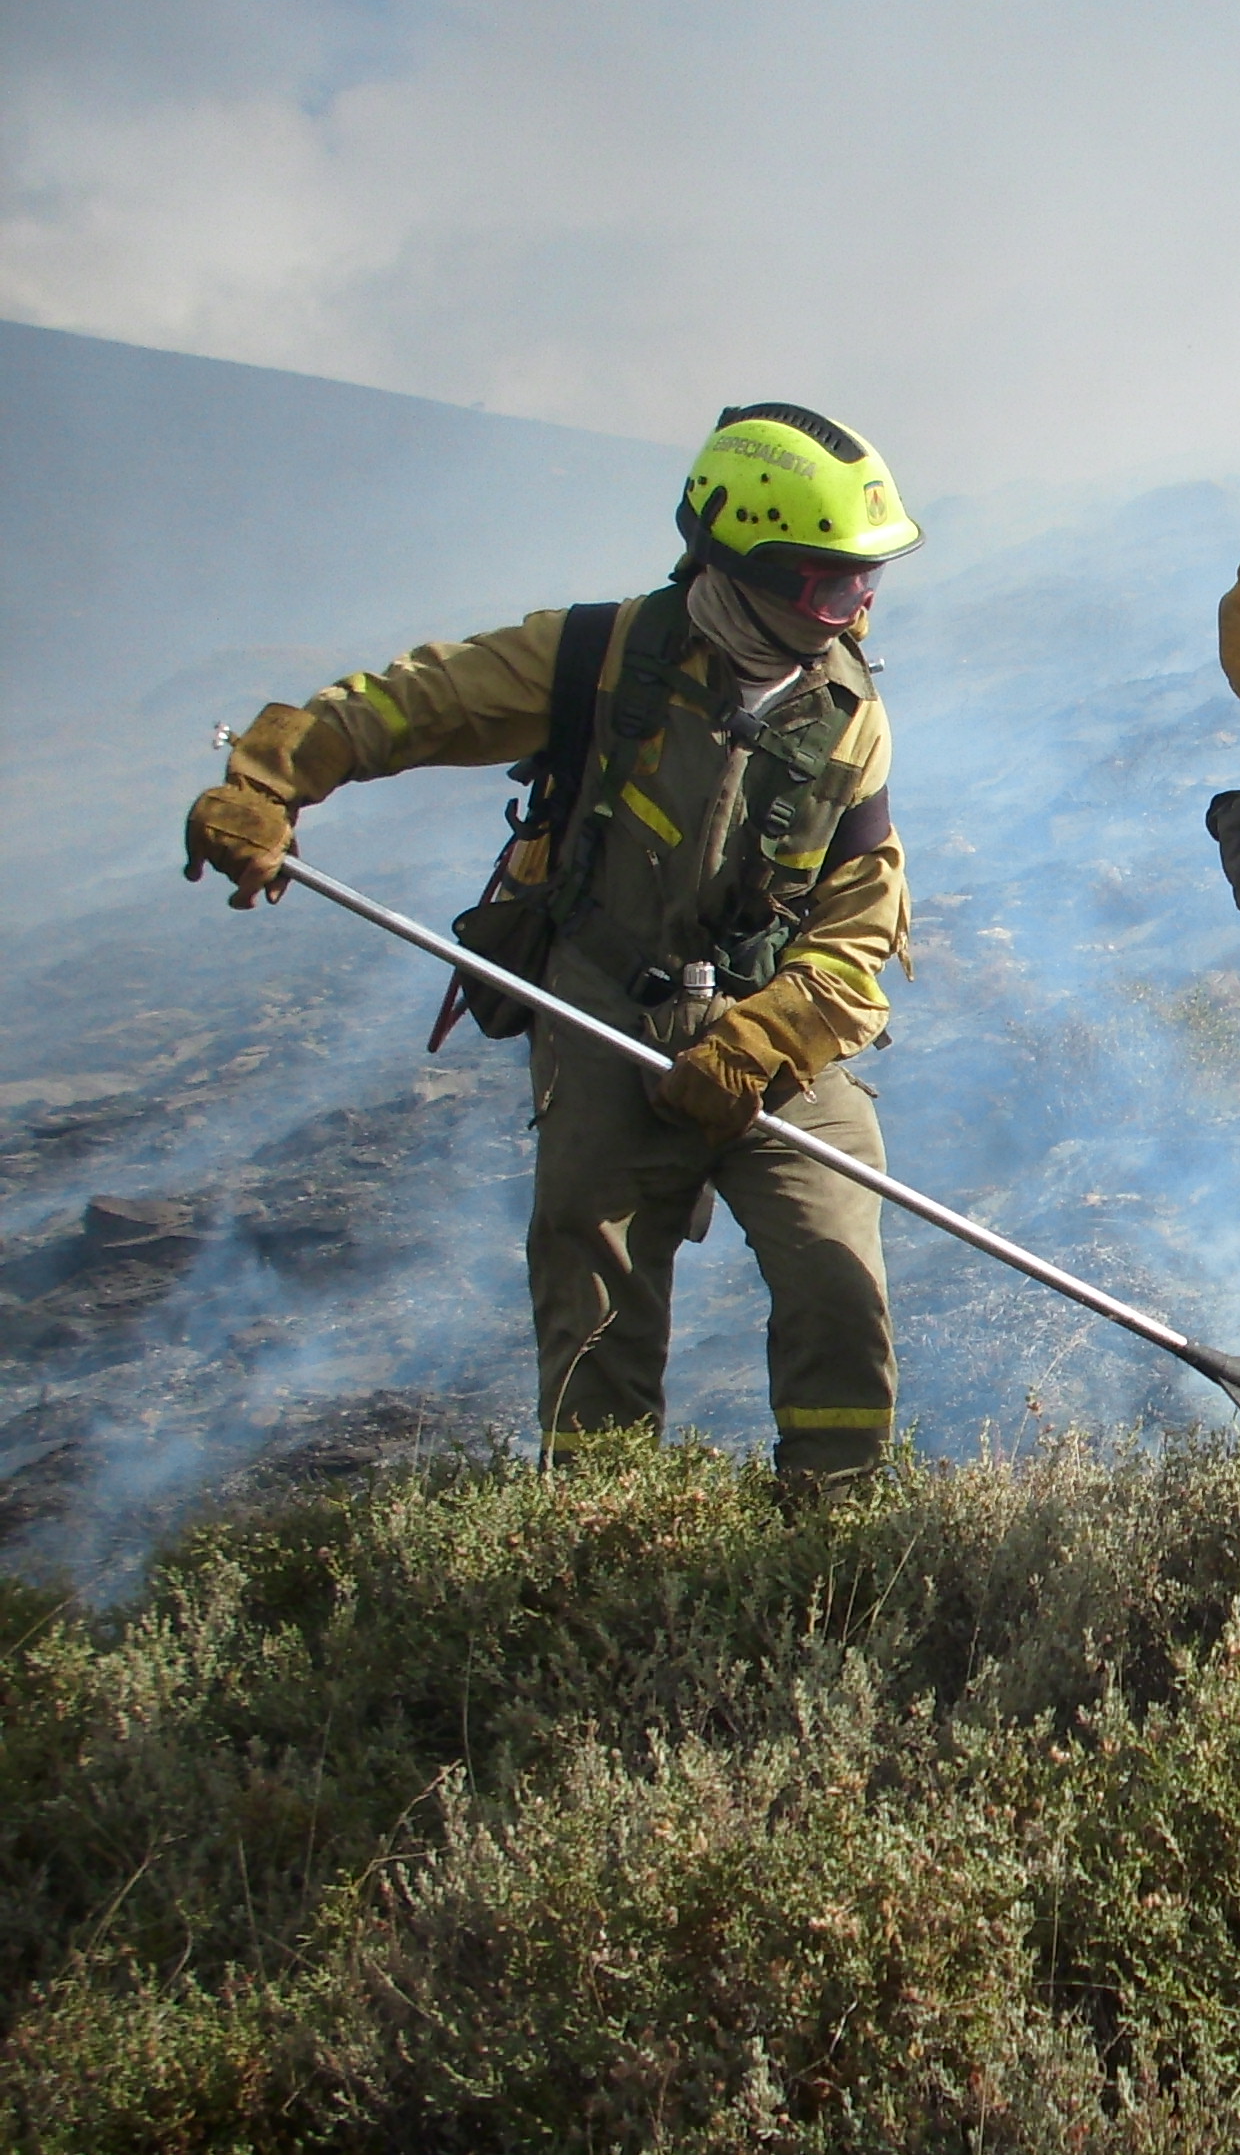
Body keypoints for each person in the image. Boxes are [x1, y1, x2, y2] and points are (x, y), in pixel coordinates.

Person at [183, 403, 922, 1491]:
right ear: (740, 559)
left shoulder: (849, 714)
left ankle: (839, 1526)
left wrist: (767, 1038)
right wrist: (268, 781)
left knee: (836, 1274)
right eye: (828, 583)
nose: (853, 606)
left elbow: (863, 913)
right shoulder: (596, 657)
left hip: (770, 1034)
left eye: (867, 580)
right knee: (596, 1300)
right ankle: (600, 1530)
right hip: (603, 1013)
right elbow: (420, 701)